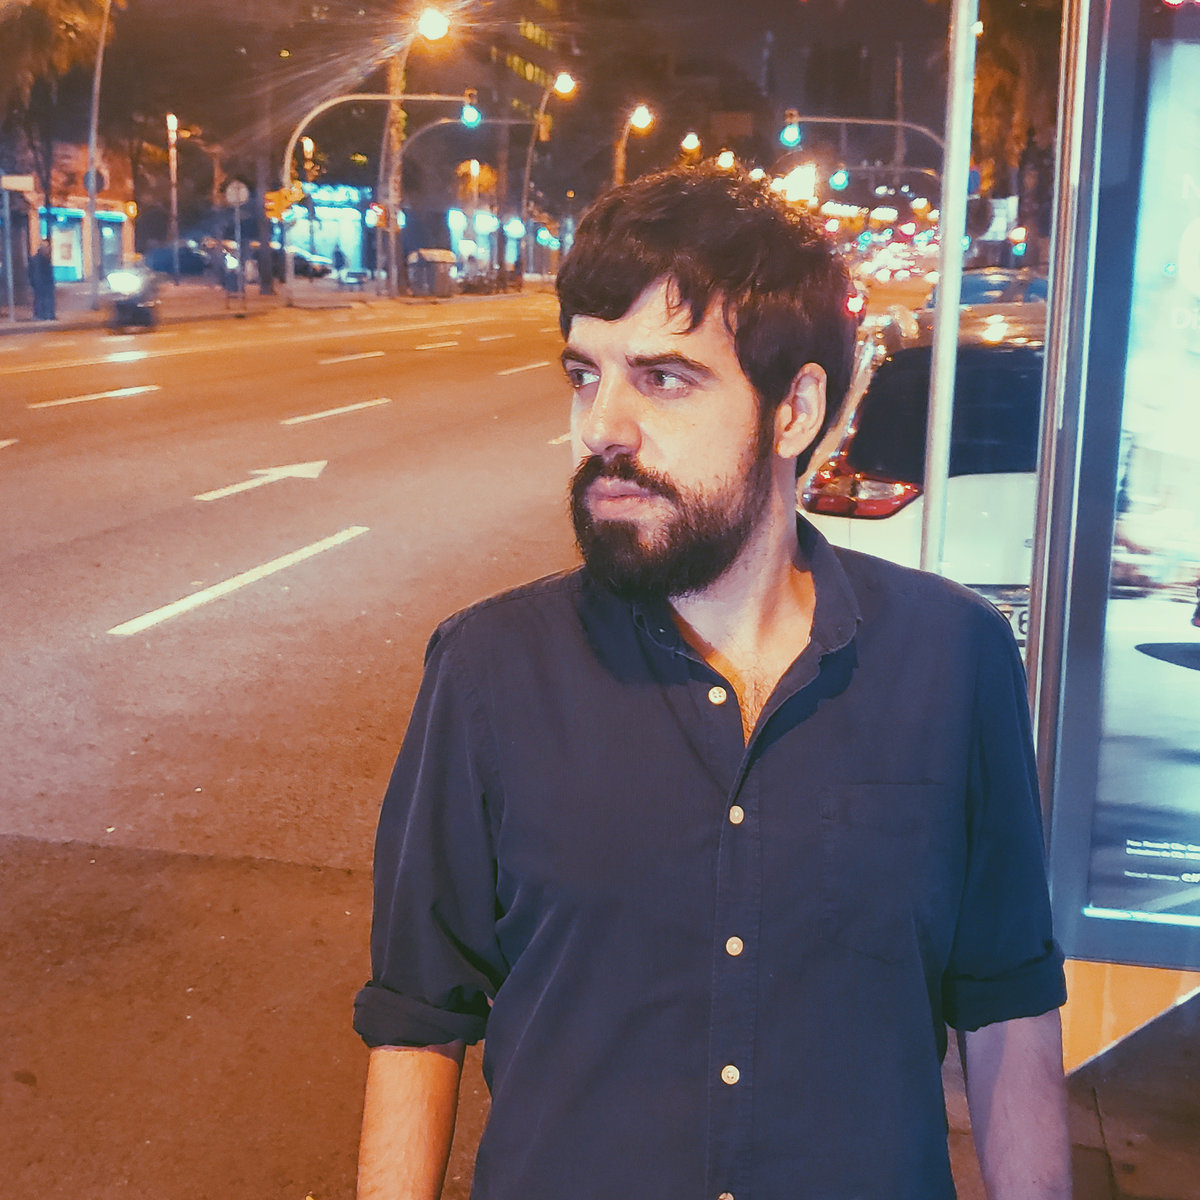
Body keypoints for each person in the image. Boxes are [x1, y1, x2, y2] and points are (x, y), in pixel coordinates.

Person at [354, 164, 1071, 1200]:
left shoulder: (953, 659)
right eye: (585, 374)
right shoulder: (488, 669)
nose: (602, 427)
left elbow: (1008, 1004)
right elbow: (419, 1017)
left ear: (795, 411)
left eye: (664, 378)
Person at [29, 240, 56, 321]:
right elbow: (36, 273)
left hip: (44, 284)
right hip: (42, 284)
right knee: (42, 300)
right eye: (46, 248)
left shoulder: (44, 258)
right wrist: (37, 283)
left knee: (44, 299)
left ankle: (46, 315)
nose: (48, 250)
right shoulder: (39, 259)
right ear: (42, 249)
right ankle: (43, 315)